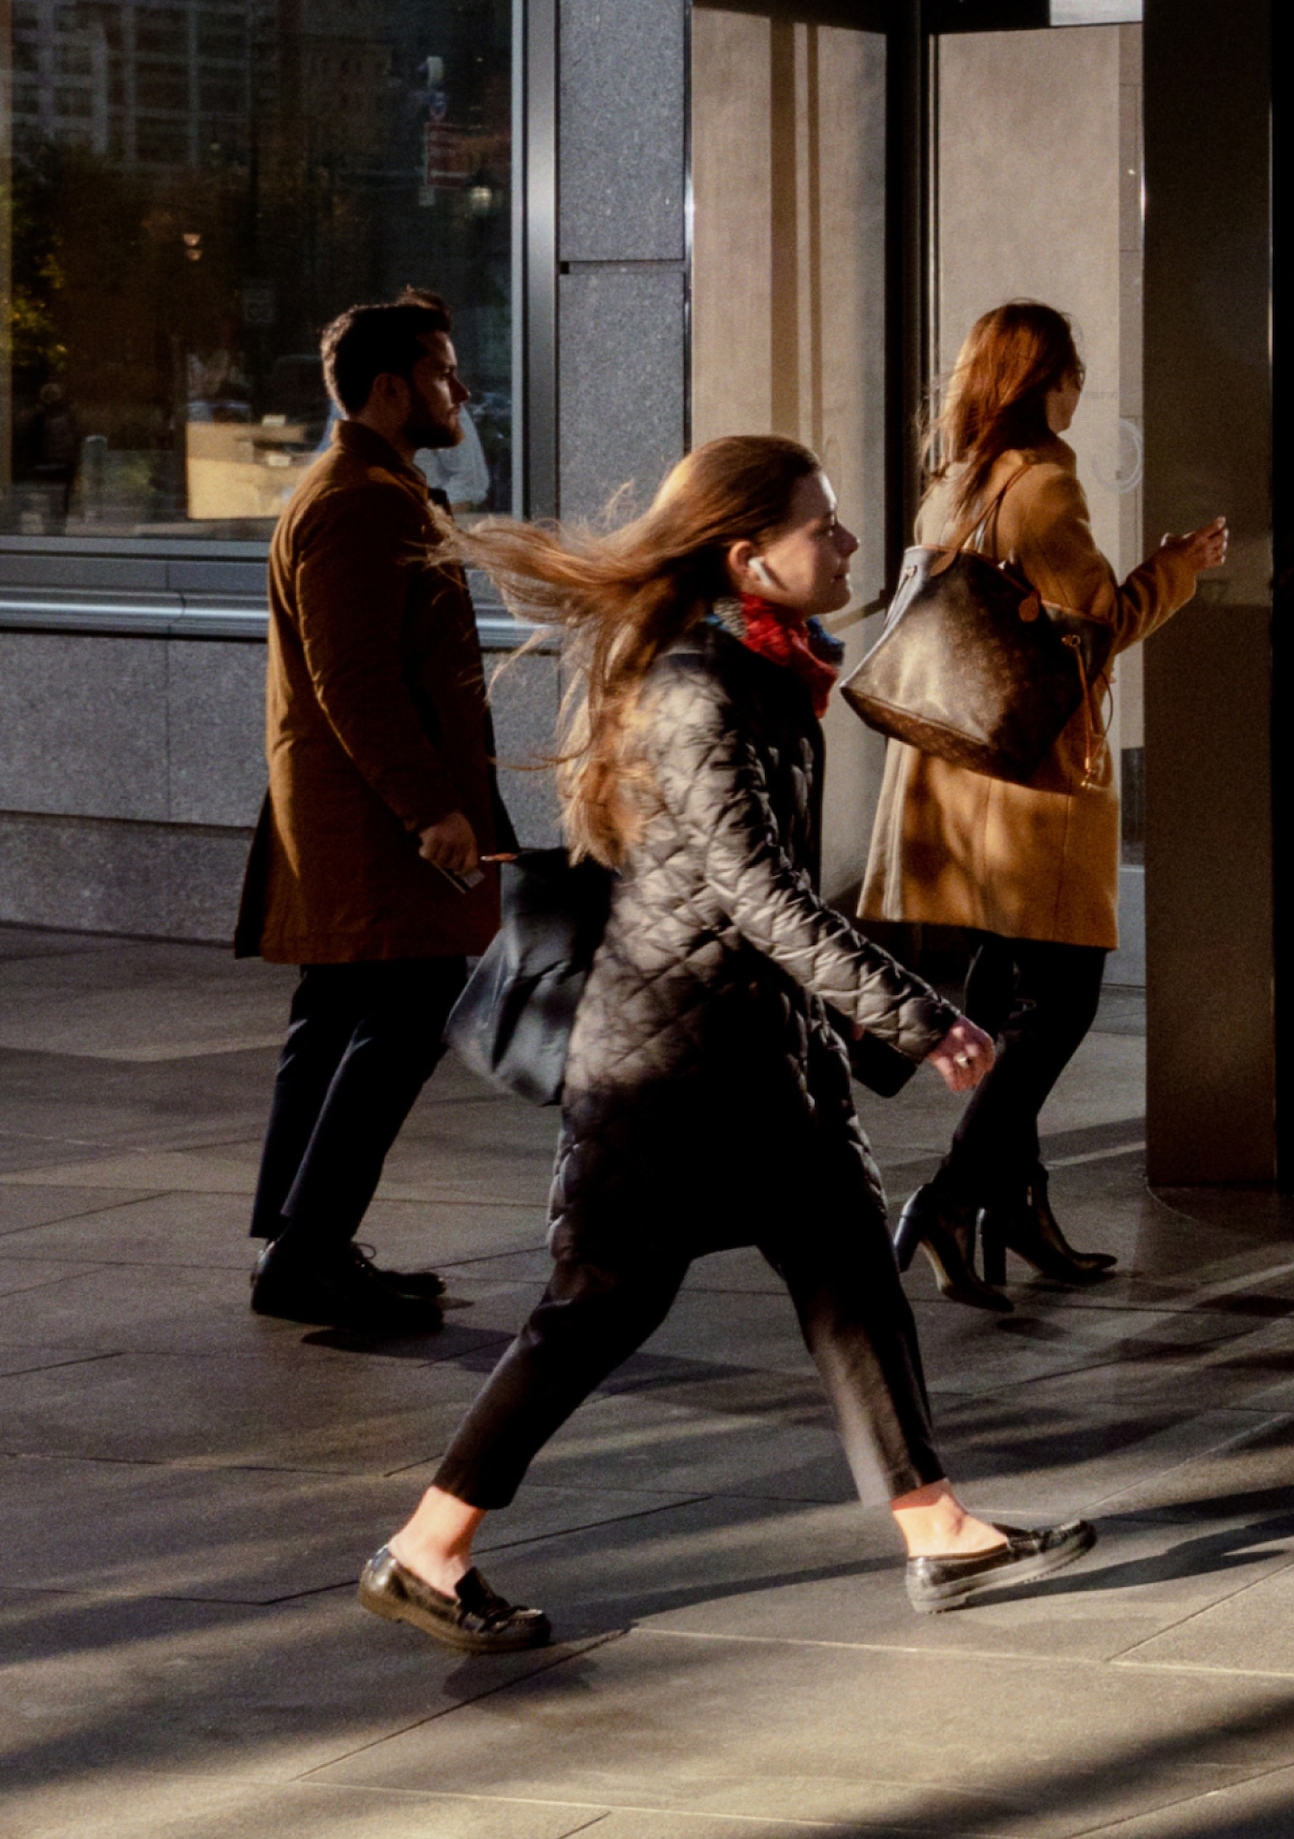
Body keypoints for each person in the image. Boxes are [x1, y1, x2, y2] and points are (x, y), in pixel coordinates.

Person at [364, 436, 1082, 1654]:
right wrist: (917, 1018)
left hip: (757, 1056)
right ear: (750, 558)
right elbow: (761, 896)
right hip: (669, 1071)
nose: (847, 543)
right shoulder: (698, 688)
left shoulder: (763, 669)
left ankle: (938, 1528)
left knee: (851, 1276)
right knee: (599, 1308)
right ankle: (427, 1548)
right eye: (823, 526)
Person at [860, 302, 1230, 1308]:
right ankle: (950, 1199)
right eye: (1072, 373)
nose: (1079, 390)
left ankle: (1014, 1205)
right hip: (1030, 787)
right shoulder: (1042, 487)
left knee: (1008, 995)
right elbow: (1097, 627)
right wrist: (1177, 569)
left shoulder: (954, 483)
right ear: (1043, 382)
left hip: (959, 783)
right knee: (1060, 1005)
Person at [238, 291, 516, 1330]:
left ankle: (294, 1242)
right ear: (391, 389)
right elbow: (352, 678)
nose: (460, 391)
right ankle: (306, 1249)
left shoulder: (370, 486)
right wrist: (430, 807)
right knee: (406, 1011)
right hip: (375, 822)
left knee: (335, 1017)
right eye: (443, 372)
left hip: (357, 815)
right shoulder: (361, 500)